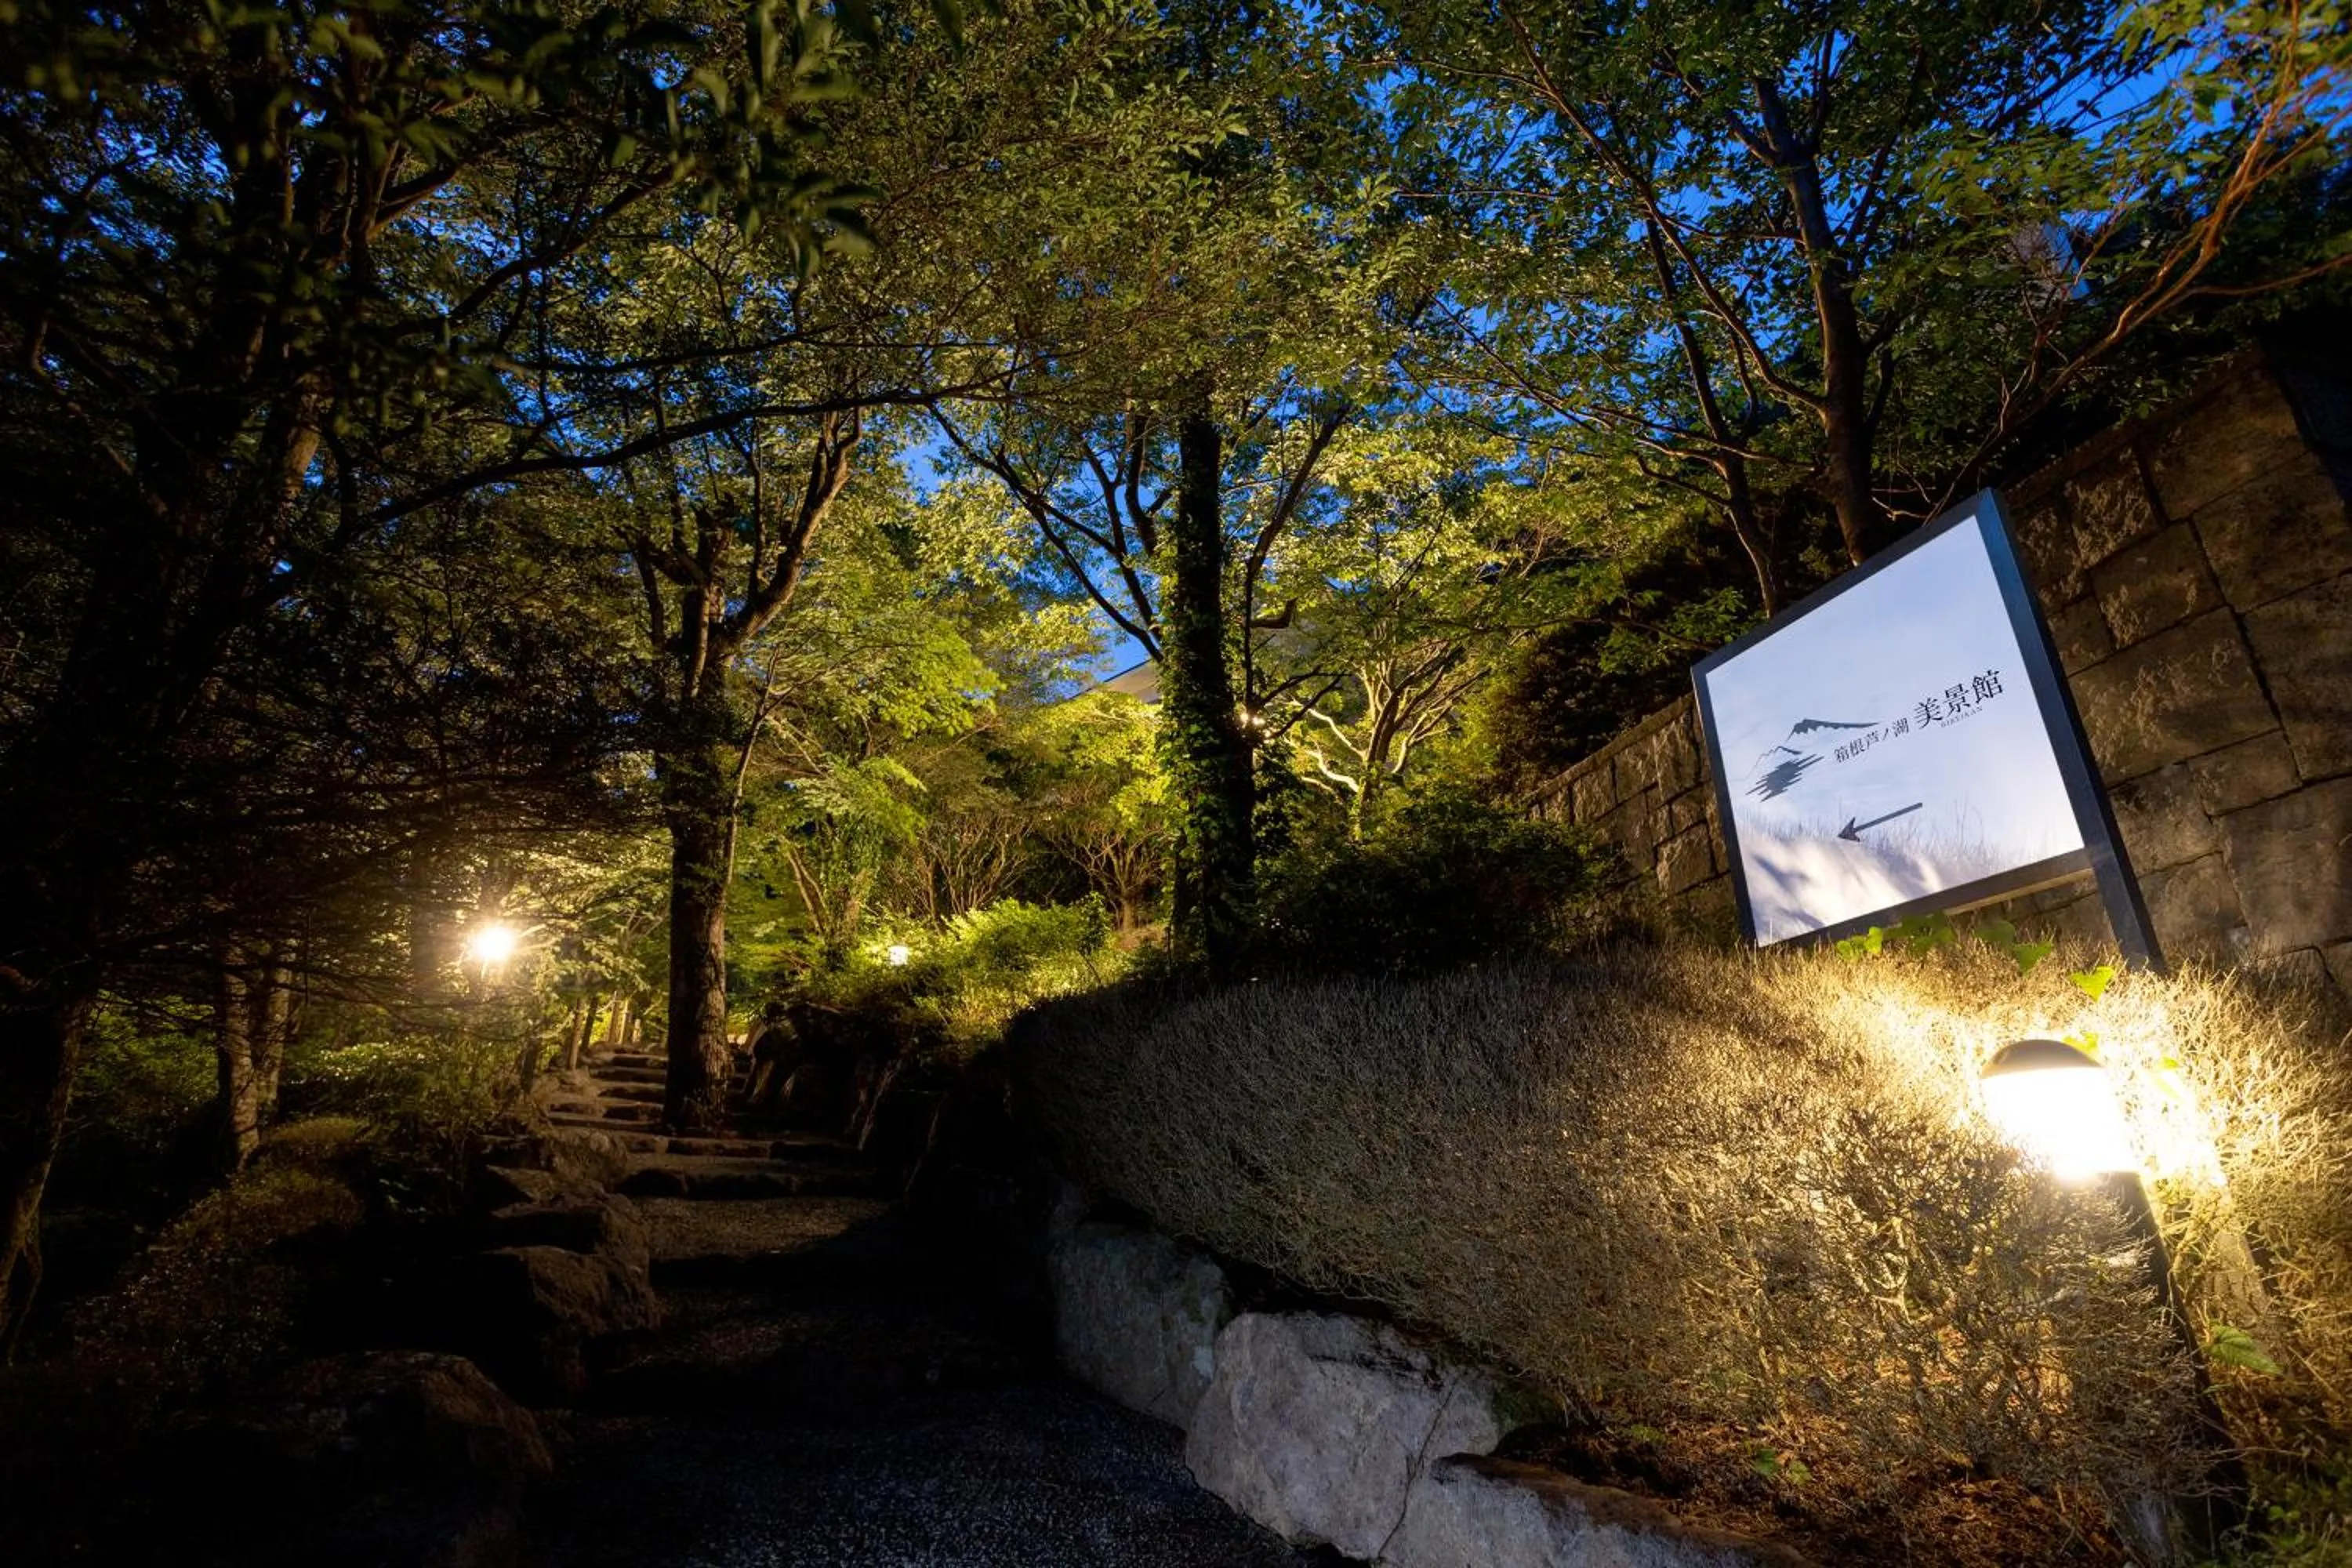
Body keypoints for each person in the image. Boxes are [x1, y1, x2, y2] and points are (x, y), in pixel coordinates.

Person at [743, 1000, 794, 1107]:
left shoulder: (779, 1026)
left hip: (771, 1056)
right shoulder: (779, 1025)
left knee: (764, 1079)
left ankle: (759, 1098)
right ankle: (757, 1097)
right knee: (762, 1079)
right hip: (768, 1055)